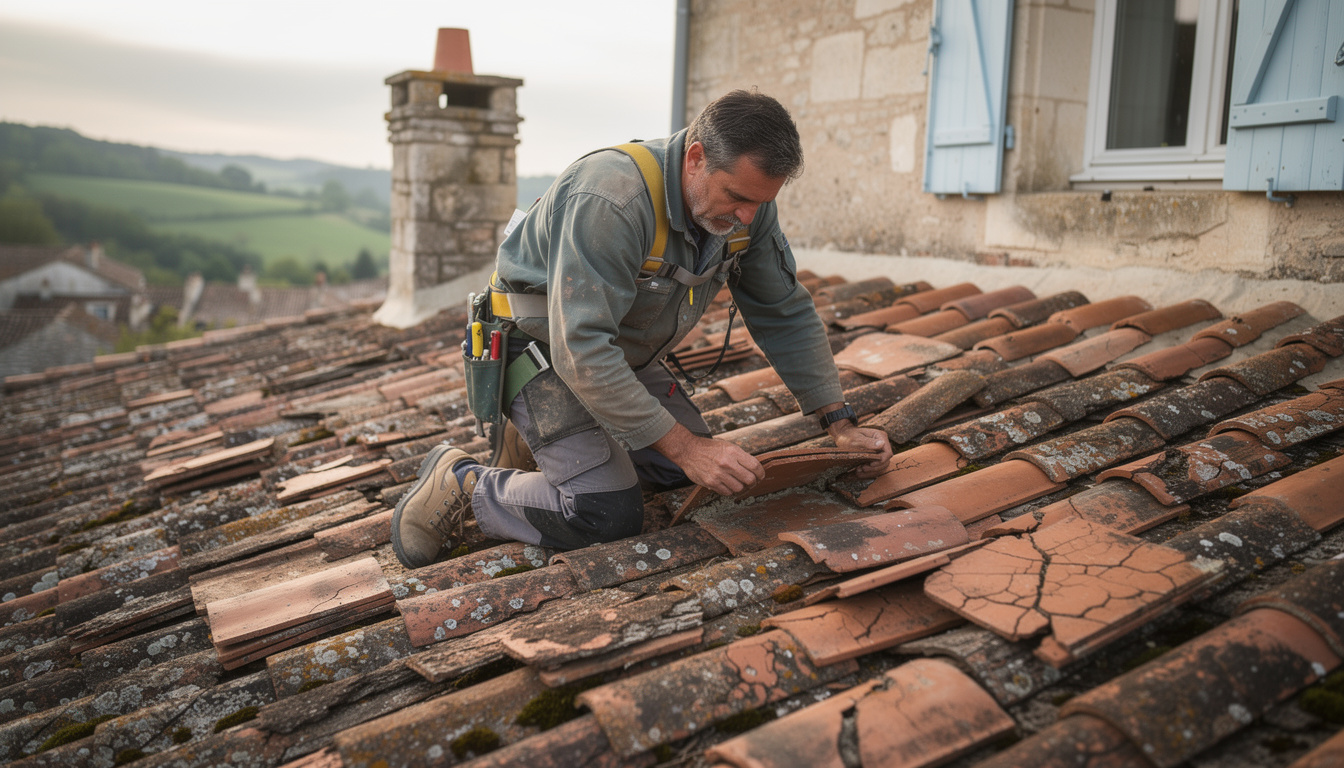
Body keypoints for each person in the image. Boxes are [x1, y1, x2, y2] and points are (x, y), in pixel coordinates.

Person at [391, 90, 892, 569]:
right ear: (695, 158)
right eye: (737, 197)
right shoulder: (611, 198)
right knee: (607, 511)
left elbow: (783, 309)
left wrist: (839, 422)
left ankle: (543, 442)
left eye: (761, 202)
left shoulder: (748, 208)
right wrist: (689, 447)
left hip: (618, 359)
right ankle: (463, 484)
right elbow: (581, 348)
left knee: (688, 478)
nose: (748, 216)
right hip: (538, 349)